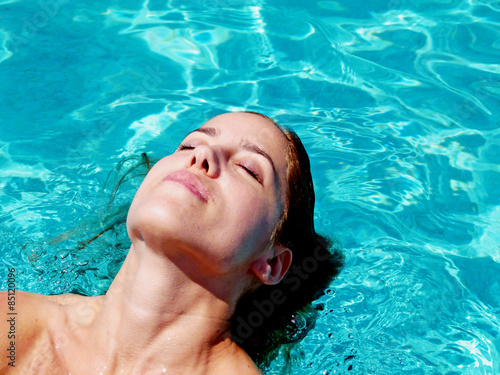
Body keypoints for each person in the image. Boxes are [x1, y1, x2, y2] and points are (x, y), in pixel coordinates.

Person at [0, 112, 343, 374]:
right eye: (190, 145)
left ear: (271, 264)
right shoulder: (14, 322)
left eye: (248, 169)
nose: (202, 157)